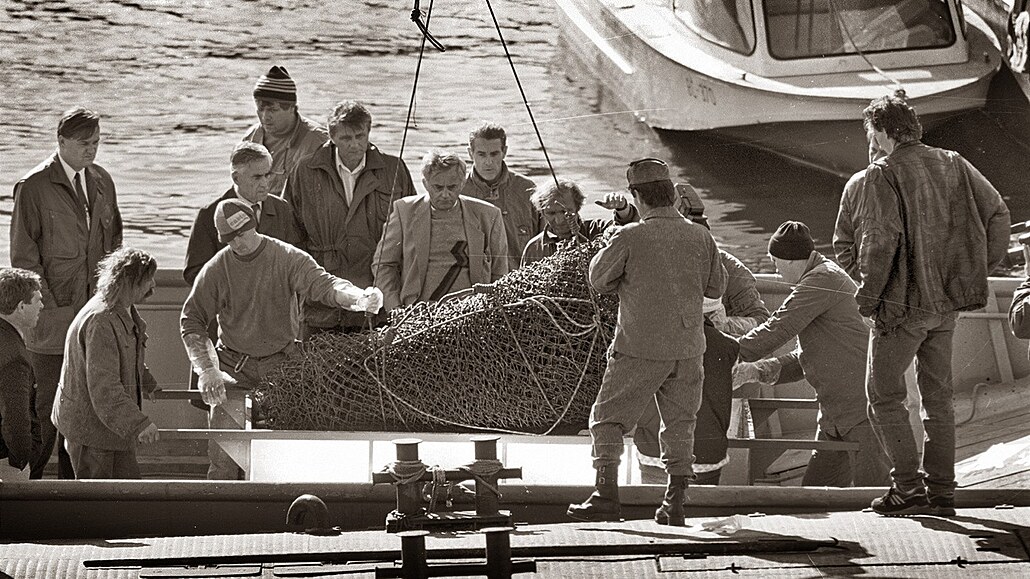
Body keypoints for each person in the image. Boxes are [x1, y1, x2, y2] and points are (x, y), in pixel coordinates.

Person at [852, 93, 1010, 516]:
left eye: (872, 132)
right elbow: (998, 213)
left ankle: (906, 488)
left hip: (901, 310)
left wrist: (868, 298)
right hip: (947, 305)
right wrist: (978, 268)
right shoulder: (954, 161)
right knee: (937, 399)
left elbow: (878, 244)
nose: (873, 140)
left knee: (883, 396)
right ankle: (942, 491)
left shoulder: (879, 174)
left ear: (883, 131)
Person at [567, 158, 726, 526]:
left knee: (607, 419)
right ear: (670, 193)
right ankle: (675, 504)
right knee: (681, 423)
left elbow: (599, 279)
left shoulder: (629, 235)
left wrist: (612, 237)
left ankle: (605, 497)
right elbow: (716, 288)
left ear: (637, 196)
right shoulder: (700, 235)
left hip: (639, 346)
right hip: (688, 348)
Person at [181, 199, 383, 479]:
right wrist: (207, 370)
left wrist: (359, 298)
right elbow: (191, 322)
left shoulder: (286, 257)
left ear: (255, 225)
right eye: (229, 239)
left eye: (242, 234)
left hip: (282, 368)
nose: (237, 243)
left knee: (285, 456)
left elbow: (324, 285)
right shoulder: (217, 269)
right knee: (224, 462)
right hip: (232, 370)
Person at [603, 183, 768, 484]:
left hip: (721, 386)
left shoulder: (731, 268)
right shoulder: (651, 265)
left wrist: (717, 326)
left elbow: (759, 320)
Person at [10, 107, 123, 479]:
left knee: (81, 412)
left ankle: (71, 490)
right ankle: (27, 486)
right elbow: (24, 259)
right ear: (61, 142)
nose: (91, 151)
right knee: (45, 410)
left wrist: (109, 304)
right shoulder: (34, 186)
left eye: (96, 143)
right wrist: (52, 309)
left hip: (93, 319)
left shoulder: (103, 181)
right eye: (83, 144)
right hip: (51, 324)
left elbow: (114, 246)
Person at [734, 221, 890, 488]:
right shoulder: (822, 276)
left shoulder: (820, 281)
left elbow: (778, 327)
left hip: (860, 411)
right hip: (835, 417)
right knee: (816, 493)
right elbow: (806, 357)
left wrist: (726, 353)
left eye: (775, 261)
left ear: (790, 260)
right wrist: (755, 370)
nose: (775, 269)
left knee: (875, 493)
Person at [284, 100, 415, 336]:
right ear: (332, 136)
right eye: (346, 138)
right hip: (322, 307)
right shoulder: (304, 172)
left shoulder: (394, 168)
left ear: (368, 133)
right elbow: (290, 237)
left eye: (360, 136)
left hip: (380, 304)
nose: (355, 144)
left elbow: (411, 235)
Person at [51, 248, 161, 479]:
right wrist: (138, 424)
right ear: (128, 282)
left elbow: (125, 355)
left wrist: (147, 381)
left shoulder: (121, 307)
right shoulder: (101, 321)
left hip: (107, 429)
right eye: (147, 280)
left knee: (122, 498)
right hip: (93, 434)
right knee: (103, 504)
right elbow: (105, 388)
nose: (153, 286)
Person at [372, 151, 508, 311]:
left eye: (452, 187)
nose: (445, 194)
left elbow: (500, 272)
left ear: (463, 183)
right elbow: (383, 265)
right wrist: (395, 310)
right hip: (418, 313)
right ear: (425, 183)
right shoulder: (404, 211)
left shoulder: (488, 214)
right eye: (437, 187)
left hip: (472, 313)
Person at [184, 142, 304, 285]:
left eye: (268, 175)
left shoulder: (281, 208)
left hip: (275, 303)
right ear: (236, 178)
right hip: (231, 305)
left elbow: (296, 259)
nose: (265, 184)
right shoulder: (209, 215)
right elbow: (194, 272)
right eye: (257, 177)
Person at [460, 122, 542, 265]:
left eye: (494, 154)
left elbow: (544, 241)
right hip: (476, 283)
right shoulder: (458, 191)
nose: (488, 162)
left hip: (522, 281)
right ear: (470, 153)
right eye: (481, 154)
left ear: (504, 151)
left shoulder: (527, 189)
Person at [242, 66, 327, 195]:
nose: (265, 116)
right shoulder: (251, 138)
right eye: (261, 109)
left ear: (292, 108)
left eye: (273, 110)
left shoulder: (317, 141)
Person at [520, 180, 634, 267]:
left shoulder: (596, 230)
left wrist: (622, 209)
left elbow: (629, 232)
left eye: (565, 212)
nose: (559, 220)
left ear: (577, 207)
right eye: (551, 213)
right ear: (542, 213)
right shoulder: (533, 248)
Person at [0, 268, 44, 481]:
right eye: (37, 300)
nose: (42, 306)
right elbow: (16, 416)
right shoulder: (15, 356)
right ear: (21, 306)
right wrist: (21, 460)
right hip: (6, 463)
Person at [833, 133, 888, 282]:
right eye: (873, 151)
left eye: (883, 153)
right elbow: (842, 242)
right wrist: (860, 278)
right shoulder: (856, 185)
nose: (876, 158)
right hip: (868, 286)